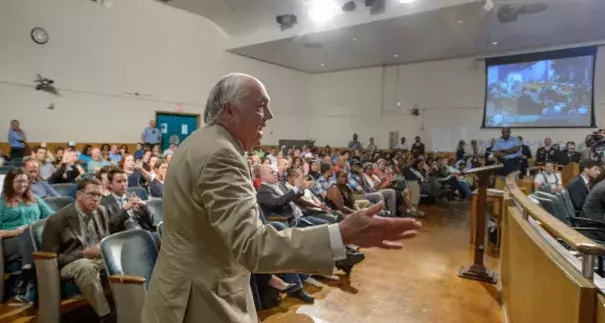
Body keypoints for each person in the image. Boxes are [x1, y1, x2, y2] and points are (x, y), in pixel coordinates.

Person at [141, 73, 421, 323]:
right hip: (198, 301)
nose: (269, 116)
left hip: (181, 290)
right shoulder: (220, 153)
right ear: (229, 111)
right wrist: (341, 234)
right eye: (260, 107)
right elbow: (252, 245)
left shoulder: (201, 141)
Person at [41, 178, 129, 322]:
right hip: (70, 263)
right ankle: (105, 316)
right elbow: (50, 259)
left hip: (96, 259)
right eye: (91, 194)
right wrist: (83, 254)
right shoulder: (57, 220)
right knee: (85, 266)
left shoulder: (101, 211)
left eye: (99, 195)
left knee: (123, 256)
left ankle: (127, 308)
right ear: (79, 195)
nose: (96, 199)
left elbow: (105, 239)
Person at [0, 168, 54, 301]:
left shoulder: (34, 199)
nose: (22, 185)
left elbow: (52, 217)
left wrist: (35, 227)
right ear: (9, 183)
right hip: (7, 242)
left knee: (31, 233)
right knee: (28, 233)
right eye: (18, 181)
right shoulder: (1, 203)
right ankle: (27, 280)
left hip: (32, 239)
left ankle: (27, 278)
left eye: (25, 181)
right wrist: (16, 231)